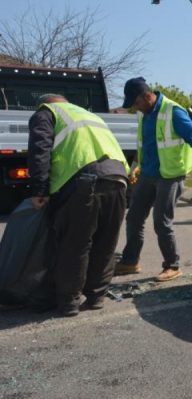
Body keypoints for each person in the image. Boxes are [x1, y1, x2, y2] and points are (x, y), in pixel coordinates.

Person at [27, 94, 129, 316]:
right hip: (118, 179)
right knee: (105, 242)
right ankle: (96, 297)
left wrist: (39, 190)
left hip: (84, 182)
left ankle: (69, 302)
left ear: (46, 103)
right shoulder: (88, 114)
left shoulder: (46, 113)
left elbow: (40, 150)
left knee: (75, 245)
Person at [114, 77, 192, 282]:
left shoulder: (173, 112)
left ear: (146, 95)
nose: (136, 108)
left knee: (161, 221)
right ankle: (130, 261)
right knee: (134, 218)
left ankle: (172, 265)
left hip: (170, 175)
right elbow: (143, 144)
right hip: (148, 174)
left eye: (137, 103)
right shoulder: (144, 114)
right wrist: (133, 167)